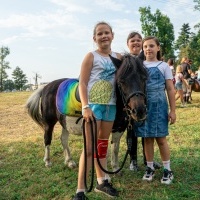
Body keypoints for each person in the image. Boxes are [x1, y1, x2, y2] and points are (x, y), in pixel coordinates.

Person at [72, 21, 121, 200]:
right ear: (94, 38)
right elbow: (83, 82)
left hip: (111, 106)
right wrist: (85, 106)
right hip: (94, 106)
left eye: (106, 32)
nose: (103, 36)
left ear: (112, 35)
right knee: (89, 147)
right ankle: (80, 190)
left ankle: (102, 182)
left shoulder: (118, 57)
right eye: (100, 34)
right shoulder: (91, 56)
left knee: (102, 144)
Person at [111, 31, 161, 172]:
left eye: (139, 40)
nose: (136, 42)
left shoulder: (145, 59)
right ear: (128, 44)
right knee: (131, 132)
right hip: (129, 102)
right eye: (132, 40)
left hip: (143, 99)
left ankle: (147, 160)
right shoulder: (123, 60)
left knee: (146, 132)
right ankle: (133, 160)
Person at [135, 36, 176, 184]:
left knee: (161, 138)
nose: (148, 49)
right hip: (143, 105)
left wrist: (173, 110)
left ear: (158, 48)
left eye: (151, 46)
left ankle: (167, 169)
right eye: (145, 46)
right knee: (147, 138)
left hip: (159, 104)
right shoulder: (139, 66)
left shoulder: (163, 66)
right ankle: (150, 167)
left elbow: (170, 89)